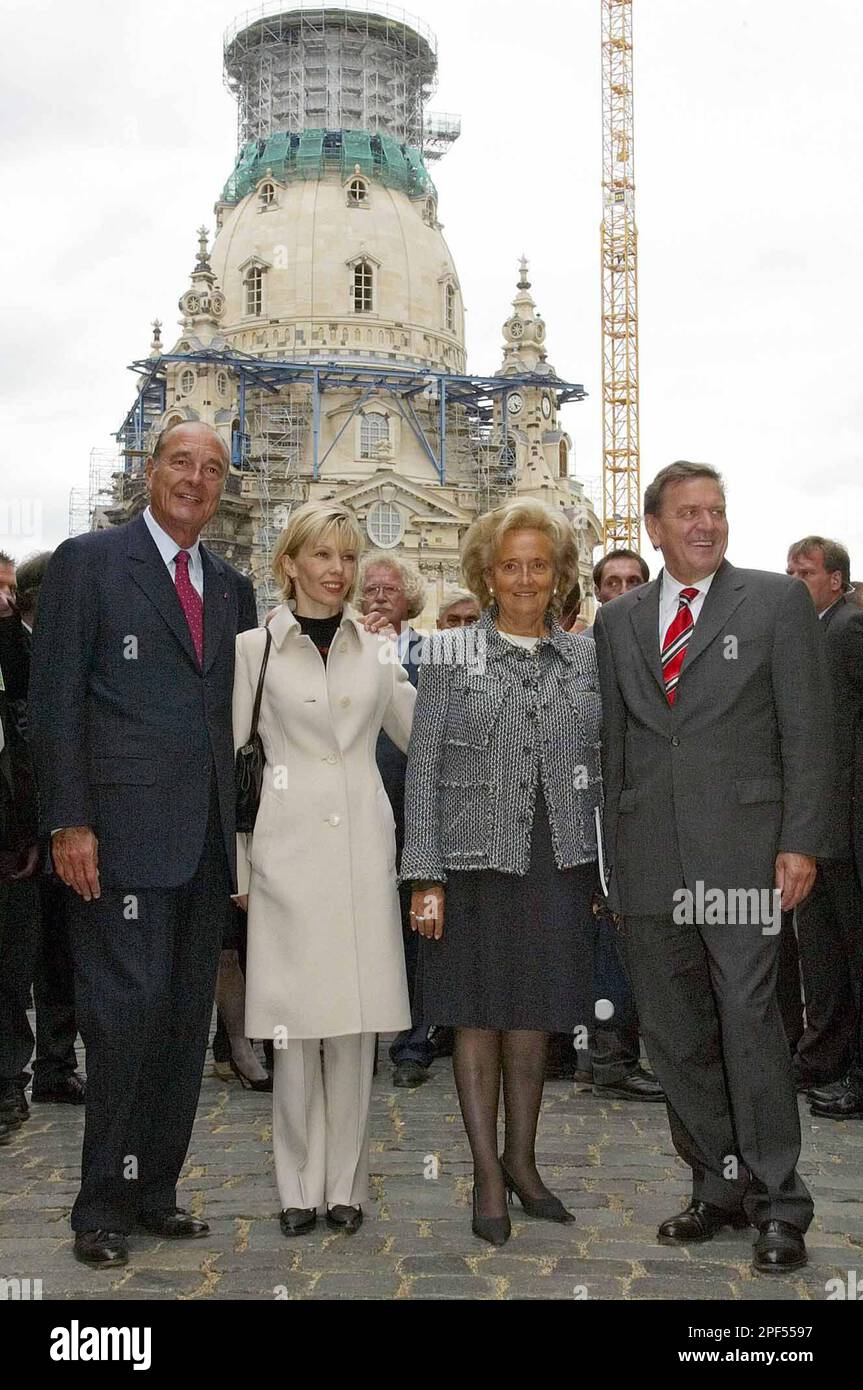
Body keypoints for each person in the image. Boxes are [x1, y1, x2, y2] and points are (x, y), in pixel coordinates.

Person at [594, 460, 836, 1274]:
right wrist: (614, 871)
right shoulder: (619, 620)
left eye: (716, 511)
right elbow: (618, 749)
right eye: (688, 513)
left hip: (743, 861)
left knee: (747, 1017)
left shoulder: (773, 602)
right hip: (649, 860)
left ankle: (777, 1199)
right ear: (653, 528)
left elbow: (809, 733)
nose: (705, 524)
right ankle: (716, 1184)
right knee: (674, 1033)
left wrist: (800, 840)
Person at [29, 421, 257, 1269]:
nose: (195, 479)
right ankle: (100, 1206)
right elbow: (53, 704)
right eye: (181, 464)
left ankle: (155, 1188)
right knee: (121, 1023)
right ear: (149, 471)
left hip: (200, 846)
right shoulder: (89, 562)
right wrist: (68, 820)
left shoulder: (232, 587)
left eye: (212, 468)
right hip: (115, 841)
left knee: (178, 1025)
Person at [402, 497, 601, 1246]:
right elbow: (420, 773)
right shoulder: (449, 656)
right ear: (488, 573)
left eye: (538, 565)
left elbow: (605, 763)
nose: (523, 578)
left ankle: (523, 1161)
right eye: (510, 564)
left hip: (558, 860)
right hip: (470, 861)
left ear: (558, 576)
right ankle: (486, 1172)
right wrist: (425, 878)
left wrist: (602, 877)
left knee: (534, 1013)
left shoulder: (587, 657)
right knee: (476, 1015)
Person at [233, 502, 415, 1238]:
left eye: (347, 557)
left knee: (354, 1029)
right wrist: (239, 868)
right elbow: (232, 760)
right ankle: (294, 1185)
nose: (338, 570)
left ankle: (346, 1185)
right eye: (323, 556)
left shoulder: (375, 649)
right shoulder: (254, 648)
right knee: (292, 1027)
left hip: (363, 855)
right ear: (290, 564)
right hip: (284, 855)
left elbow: (421, 734)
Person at [552, 548, 664, 1102]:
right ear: (597, 593)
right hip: (588, 818)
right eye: (612, 582)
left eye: (634, 580)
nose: (624, 590)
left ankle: (615, 1054)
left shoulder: (672, 649)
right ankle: (603, 1057)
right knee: (602, 941)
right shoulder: (581, 653)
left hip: (649, 816)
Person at [0, 552, 87, 1130]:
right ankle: (15, 1079)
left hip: (57, 827)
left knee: (61, 956)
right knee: (16, 963)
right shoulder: (17, 648)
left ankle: (56, 1066)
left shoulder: (62, 648)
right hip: (24, 832)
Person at [786, 536, 863, 1118]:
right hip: (819, 830)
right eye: (790, 570)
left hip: (839, 829)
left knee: (850, 956)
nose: (795, 579)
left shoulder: (846, 631)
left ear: (836, 580)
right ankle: (824, 1059)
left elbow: (835, 744)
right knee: (824, 959)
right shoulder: (811, 632)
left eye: (805, 572)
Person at [357, 550, 436, 1089]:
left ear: (410, 597)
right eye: (370, 589)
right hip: (358, 811)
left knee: (414, 929)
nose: (378, 596)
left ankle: (412, 1044)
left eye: (389, 588)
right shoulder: (341, 648)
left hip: (413, 812)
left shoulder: (433, 655)